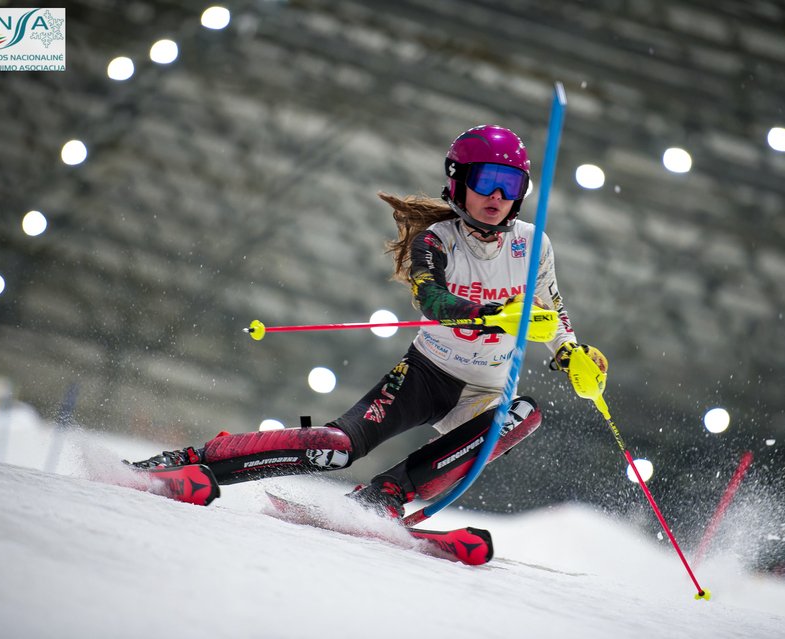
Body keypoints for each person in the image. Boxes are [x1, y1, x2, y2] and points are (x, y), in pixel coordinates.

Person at [130, 124, 608, 519]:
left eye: (511, 185)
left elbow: (554, 310)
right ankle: (191, 459)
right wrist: (493, 315)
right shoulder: (436, 241)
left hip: (486, 391)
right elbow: (433, 300)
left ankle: (385, 496)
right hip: (425, 377)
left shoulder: (534, 245)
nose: (498, 195)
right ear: (459, 181)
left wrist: (571, 354)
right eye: (486, 181)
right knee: (336, 447)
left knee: (522, 415)